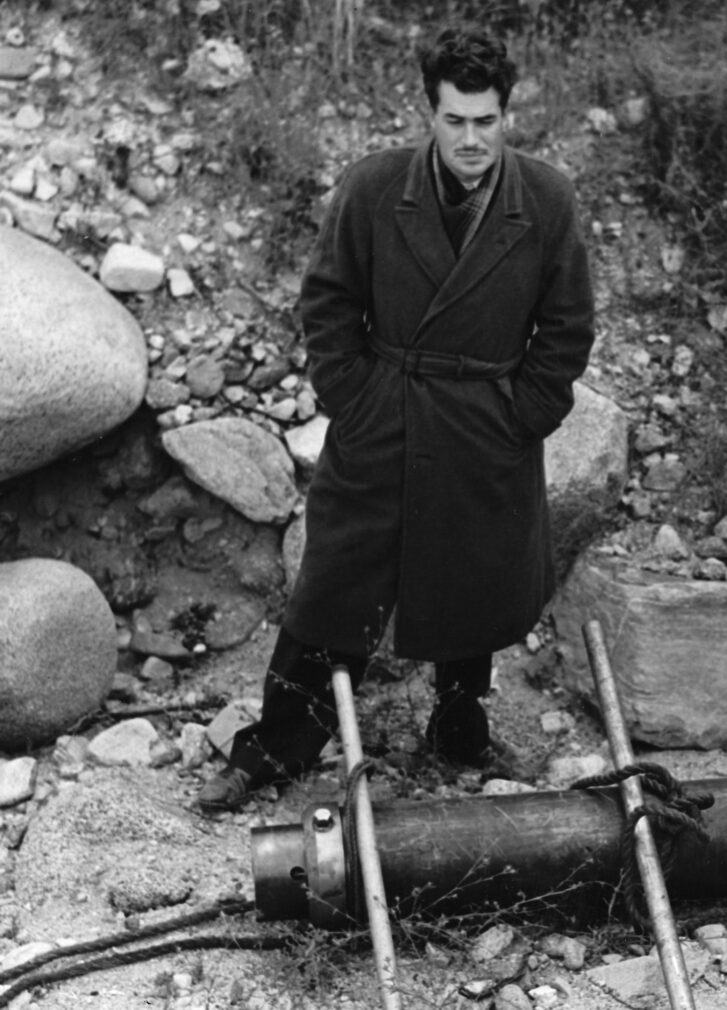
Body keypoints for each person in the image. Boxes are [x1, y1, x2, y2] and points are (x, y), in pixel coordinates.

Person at [198, 25, 595, 811]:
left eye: (486, 120)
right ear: (430, 114)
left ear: (506, 115)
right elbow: (329, 300)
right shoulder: (376, 188)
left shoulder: (546, 200)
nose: (471, 138)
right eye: (456, 120)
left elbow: (568, 328)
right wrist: (355, 397)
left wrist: (520, 415)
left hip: (486, 425)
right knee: (333, 584)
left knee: (472, 580)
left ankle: (457, 728)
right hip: (386, 415)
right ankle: (276, 745)